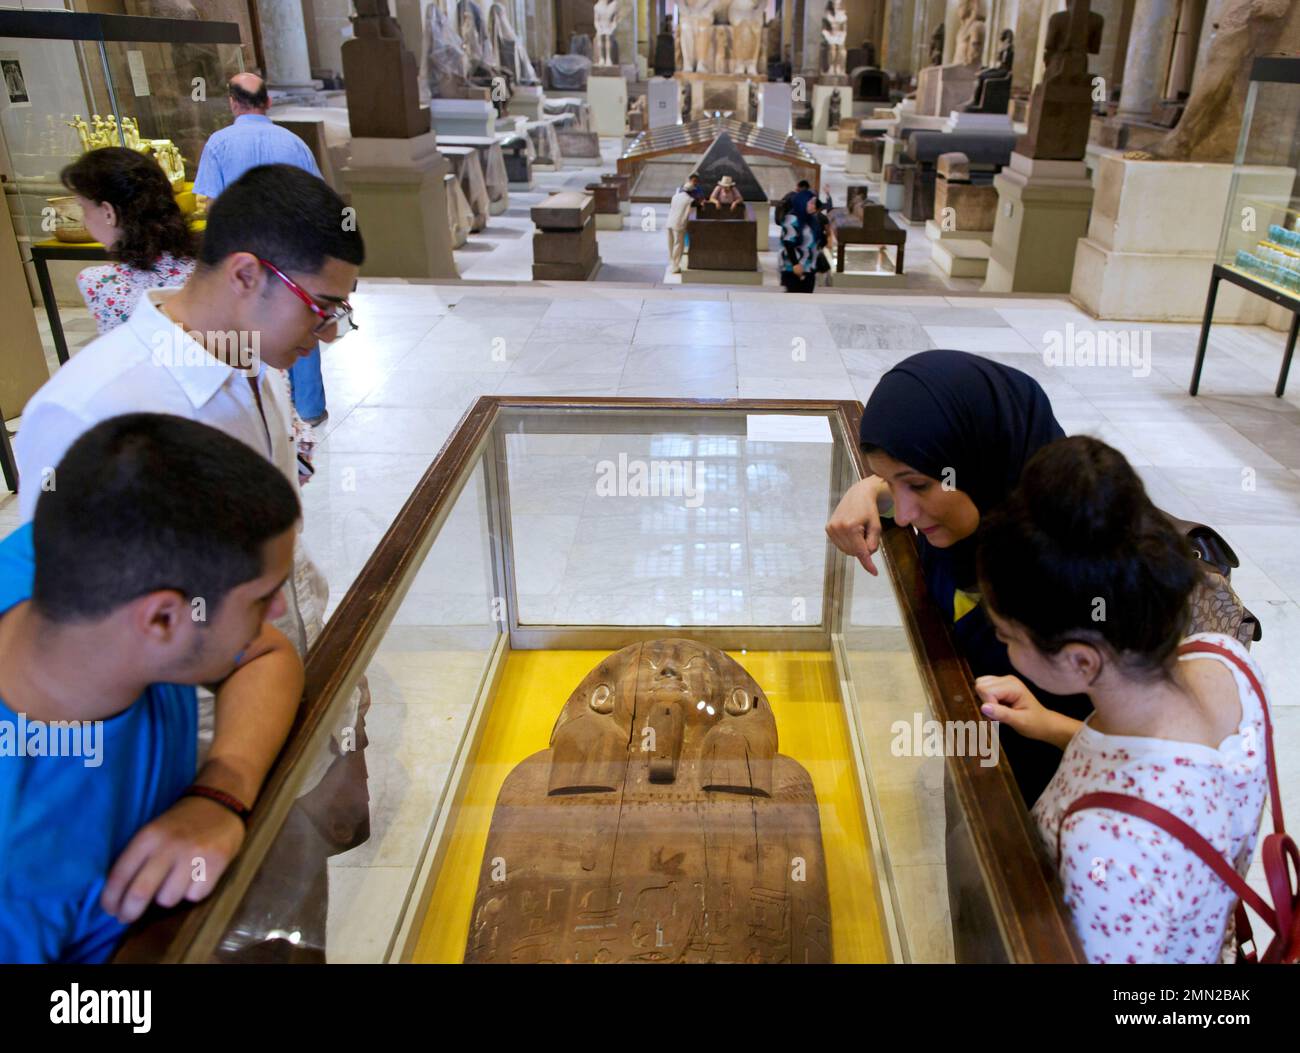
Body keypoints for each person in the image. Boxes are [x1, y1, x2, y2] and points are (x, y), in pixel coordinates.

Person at [15, 163, 368, 959]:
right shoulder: (93, 409)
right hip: (173, 776)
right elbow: (78, 631)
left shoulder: (246, 363)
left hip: (263, 721)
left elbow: (268, 596)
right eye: (324, 307)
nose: (332, 330)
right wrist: (205, 784)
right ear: (246, 275)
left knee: (286, 920)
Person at [0, 413, 305, 962]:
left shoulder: (58, 559)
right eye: (262, 598)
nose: (279, 612)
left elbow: (265, 653)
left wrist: (220, 793)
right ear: (164, 619)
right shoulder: (16, 866)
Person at [975, 436, 1271, 964]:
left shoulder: (1108, 849)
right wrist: (1049, 724)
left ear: (1081, 661)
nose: (1003, 646)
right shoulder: (1226, 660)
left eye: (1007, 635)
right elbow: (1169, 776)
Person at [826, 350, 1088, 801]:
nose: (904, 515)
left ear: (978, 456)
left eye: (919, 485)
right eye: (893, 482)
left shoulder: (1087, 569)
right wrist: (868, 488)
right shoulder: (982, 501)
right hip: (979, 753)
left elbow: (1162, 755)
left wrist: (1049, 725)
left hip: (1058, 798)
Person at [194, 73, 330, 426]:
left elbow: (212, 207)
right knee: (300, 324)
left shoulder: (218, 144)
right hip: (291, 253)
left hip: (242, 258)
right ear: (268, 101)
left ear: (232, 102)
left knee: (244, 332)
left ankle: (261, 410)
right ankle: (310, 409)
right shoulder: (293, 143)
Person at [60, 147, 196, 334]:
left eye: (84, 209)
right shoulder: (206, 268)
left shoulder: (100, 282)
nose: (85, 220)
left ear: (109, 212)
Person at [778, 196, 818, 293]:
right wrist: (795, 264)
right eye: (811, 203)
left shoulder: (811, 219)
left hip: (808, 268)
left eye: (814, 204)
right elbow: (788, 243)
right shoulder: (792, 219)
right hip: (792, 268)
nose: (813, 206)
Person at [666, 173, 699, 275]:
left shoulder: (675, 196)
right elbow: (690, 213)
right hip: (679, 225)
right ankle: (675, 266)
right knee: (678, 245)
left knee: (670, 244)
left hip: (669, 222)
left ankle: (671, 262)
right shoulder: (690, 200)